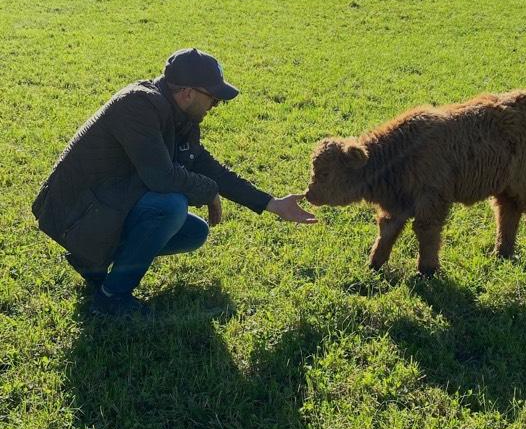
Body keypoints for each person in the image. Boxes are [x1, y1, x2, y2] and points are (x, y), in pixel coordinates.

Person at [32, 48, 316, 316]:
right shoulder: (137, 105)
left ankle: (92, 260)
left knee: (193, 232)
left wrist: (272, 203)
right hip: (72, 214)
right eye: (213, 97)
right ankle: (111, 298)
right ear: (188, 93)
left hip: (102, 206)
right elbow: (162, 178)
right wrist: (209, 191)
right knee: (171, 206)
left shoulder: (178, 116)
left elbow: (207, 167)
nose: (216, 105)